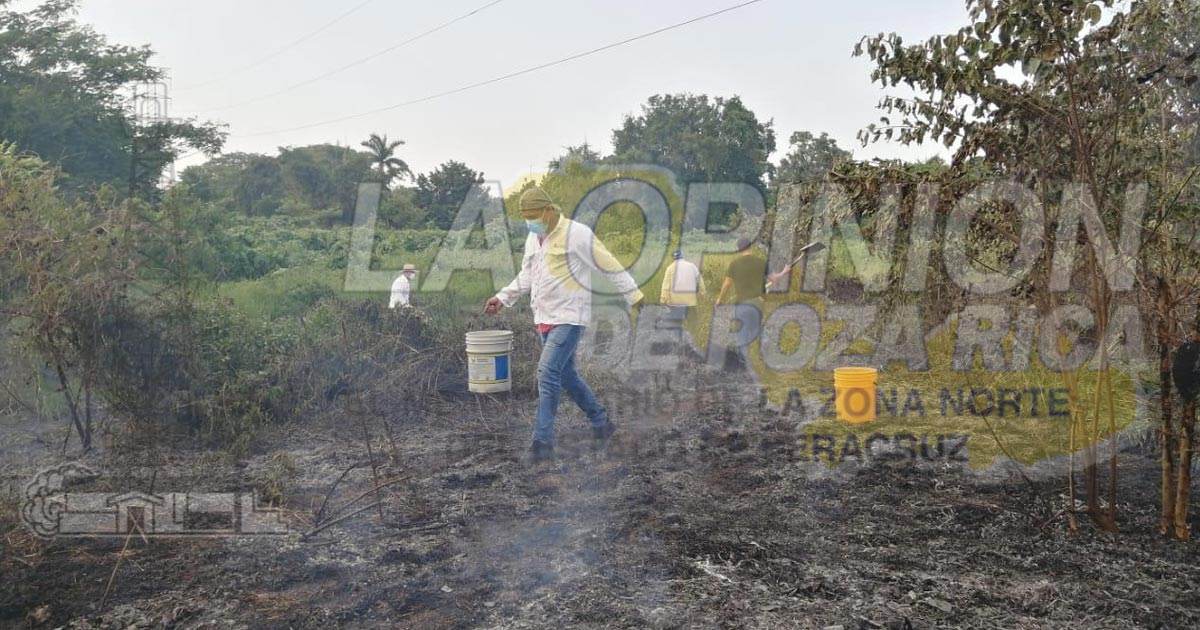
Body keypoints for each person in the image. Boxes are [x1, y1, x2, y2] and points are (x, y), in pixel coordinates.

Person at [484, 187, 644, 462]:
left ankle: (542, 443)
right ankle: (601, 423)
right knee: (566, 375)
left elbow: (607, 263)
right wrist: (503, 297)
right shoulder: (534, 238)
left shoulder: (577, 234)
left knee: (546, 373)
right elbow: (528, 274)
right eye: (526, 218)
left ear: (548, 210)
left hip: (570, 317)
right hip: (544, 316)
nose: (530, 222)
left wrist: (634, 295)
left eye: (533, 216)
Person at [714, 238, 791, 370]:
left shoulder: (734, 264)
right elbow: (774, 279)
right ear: (751, 247)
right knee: (756, 326)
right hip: (758, 302)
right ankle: (764, 339)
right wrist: (785, 271)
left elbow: (727, 284)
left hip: (742, 304)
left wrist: (720, 300)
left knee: (741, 333)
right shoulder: (761, 262)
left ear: (739, 250)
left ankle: (743, 362)